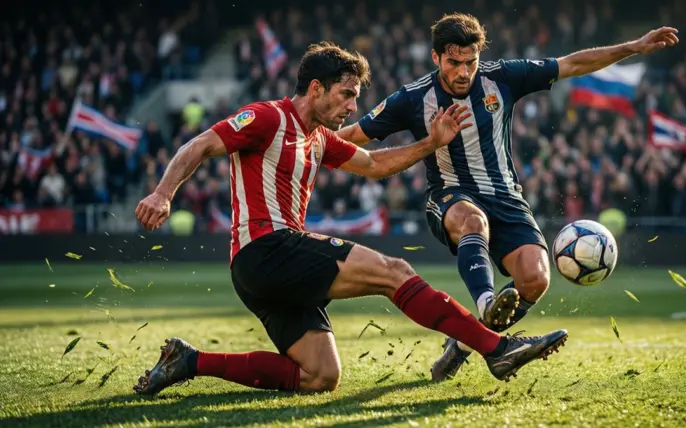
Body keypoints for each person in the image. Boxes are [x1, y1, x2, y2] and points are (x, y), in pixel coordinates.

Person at [132, 42, 568, 395]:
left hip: (265, 270)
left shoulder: (319, 138)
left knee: (320, 377)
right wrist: (162, 192)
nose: (351, 108)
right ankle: (496, 348)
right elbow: (200, 144)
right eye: (346, 95)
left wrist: (432, 143)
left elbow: (375, 165)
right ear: (316, 88)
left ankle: (188, 361)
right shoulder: (267, 117)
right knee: (394, 272)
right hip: (267, 248)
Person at [336, 13, 679, 381]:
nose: (464, 72)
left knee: (535, 279)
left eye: (471, 62)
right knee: (474, 222)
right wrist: (303, 142)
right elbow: (353, 136)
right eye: (454, 63)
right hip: (451, 195)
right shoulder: (412, 98)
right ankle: (486, 305)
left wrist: (633, 47)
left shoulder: (502, 77)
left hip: (507, 197)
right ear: (436, 58)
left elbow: (572, 63)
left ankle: (465, 344)